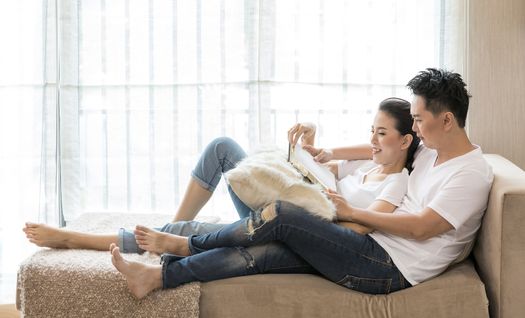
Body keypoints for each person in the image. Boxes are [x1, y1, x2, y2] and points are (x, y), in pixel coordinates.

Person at [103, 68, 493, 298]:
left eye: (420, 119)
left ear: (447, 121)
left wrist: (352, 212)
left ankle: (184, 243)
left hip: (389, 268)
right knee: (268, 252)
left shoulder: (470, 173)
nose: (416, 127)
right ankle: (157, 276)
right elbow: (382, 146)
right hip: (369, 246)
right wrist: (327, 150)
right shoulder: (431, 148)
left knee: (283, 216)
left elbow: (425, 226)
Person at [23, 97, 418, 285]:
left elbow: (360, 231)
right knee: (223, 148)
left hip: (306, 233)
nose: (372, 140)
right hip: (285, 212)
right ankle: (172, 228)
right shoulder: (366, 163)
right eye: (371, 130)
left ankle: (78, 237)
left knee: (193, 236)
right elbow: (320, 160)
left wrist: (340, 207)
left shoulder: (396, 181)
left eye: (382, 134)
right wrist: (309, 147)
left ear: (405, 141)